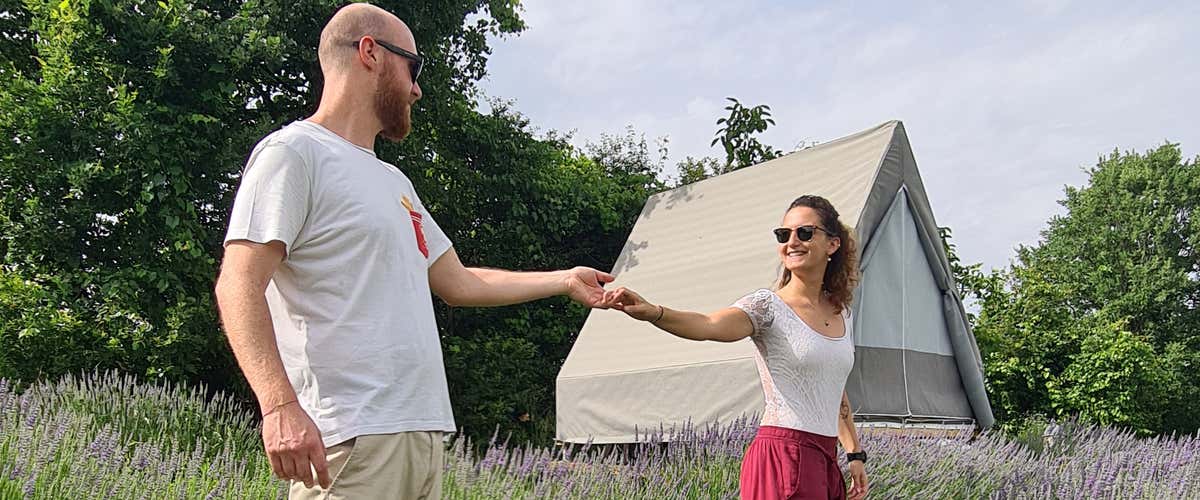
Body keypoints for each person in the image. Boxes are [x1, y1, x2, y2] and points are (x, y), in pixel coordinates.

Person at [213, 4, 613, 498]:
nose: (418, 89)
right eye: (414, 68)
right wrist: (278, 407)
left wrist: (563, 279)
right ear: (370, 53)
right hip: (351, 438)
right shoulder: (294, 153)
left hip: (420, 436)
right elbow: (238, 283)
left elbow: (459, 281)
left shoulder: (395, 182)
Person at [602, 195, 870, 500]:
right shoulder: (768, 307)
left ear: (832, 244)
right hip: (783, 455)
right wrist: (655, 312)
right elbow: (708, 324)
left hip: (825, 457)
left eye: (805, 233)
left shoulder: (842, 314)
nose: (792, 241)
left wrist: (854, 453)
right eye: (784, 235)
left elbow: (832, 385)